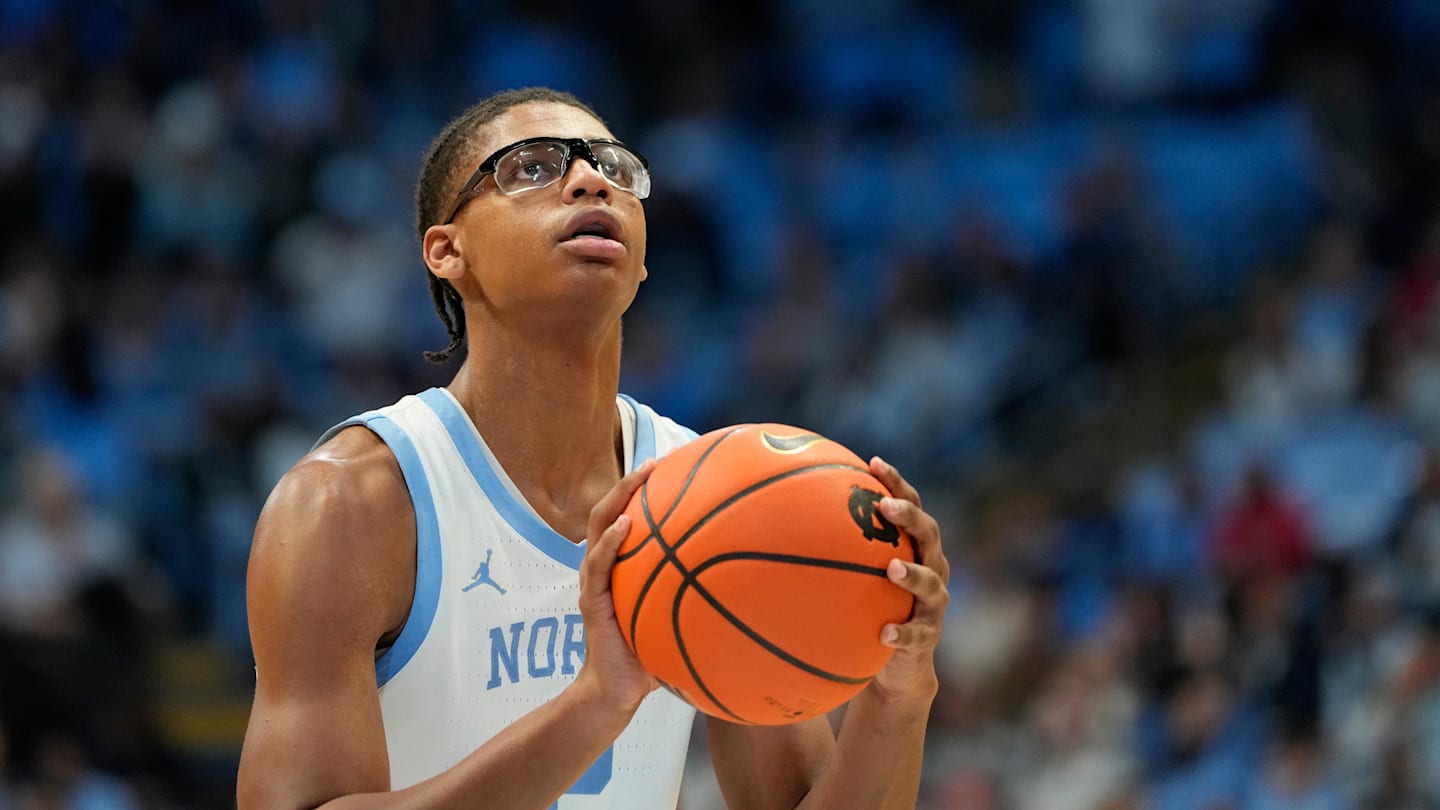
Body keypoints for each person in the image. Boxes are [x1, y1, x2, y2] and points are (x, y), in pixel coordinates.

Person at [235, 86, 950, 809]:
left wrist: (899, 693)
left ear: (641, 260)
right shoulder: (349, 505)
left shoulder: (714, 498)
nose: (589, 180)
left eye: (614, 168)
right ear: (448, 251)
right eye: (533, 167)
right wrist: (596, 705)